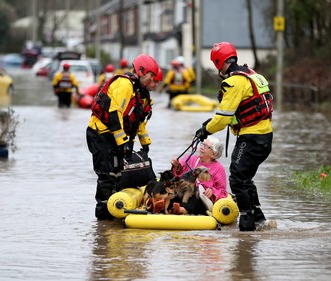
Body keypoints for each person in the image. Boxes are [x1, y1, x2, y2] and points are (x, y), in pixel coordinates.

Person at [194, 42, 273, 231]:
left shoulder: (233, 81)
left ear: (219, 62)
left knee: (237, 178)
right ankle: (259, 219)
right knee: (245, 177)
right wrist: (210, 124)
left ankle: (247, 225)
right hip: (265, 136)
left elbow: (223, 118)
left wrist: (206, 130)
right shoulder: (254, 75)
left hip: (251, 137)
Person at [86, 54, 160, 220]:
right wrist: (122, 143)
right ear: (141, 71)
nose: (152, 81)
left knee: (118, 175)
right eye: (151, 77)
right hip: (101, 133)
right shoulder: (125, 84)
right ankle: (103, 218)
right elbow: (114, 114)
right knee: (107, 175)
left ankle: (115, 212)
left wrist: (144, 143)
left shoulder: (139, 92)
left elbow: (137, 122)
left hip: (115, 137)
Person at [170, 135, 228, 215]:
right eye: (202, 144)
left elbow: (223, 192)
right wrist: (176, 166)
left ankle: (181, 210)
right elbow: (177, 175)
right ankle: (164, 205)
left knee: (193, 195)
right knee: (175, 190)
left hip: (199, 198)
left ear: (214, 154)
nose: (202, 147)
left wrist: (212, 191)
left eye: (206, 146)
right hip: (184, 191)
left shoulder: (219, 168)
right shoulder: (191, 159)